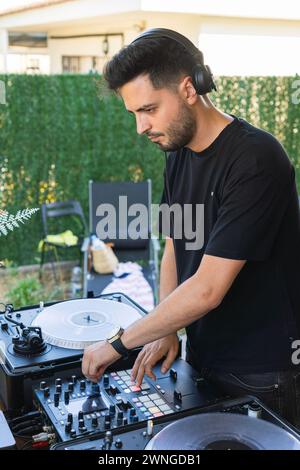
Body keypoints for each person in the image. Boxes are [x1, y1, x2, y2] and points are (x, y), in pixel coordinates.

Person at [82, 28, 300, 427]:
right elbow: (173, 245)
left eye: (148, 109)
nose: (140, 127)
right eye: (134, 114)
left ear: (188, 88)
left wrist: (119, 343)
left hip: (262, 370)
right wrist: (166, 330)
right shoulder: (177, 153)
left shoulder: (256, 159)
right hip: (202, 354)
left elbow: (207, 288)